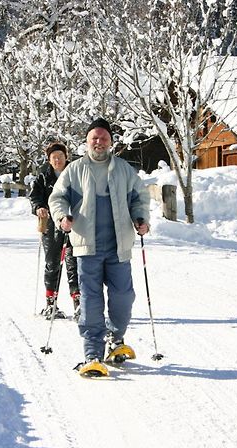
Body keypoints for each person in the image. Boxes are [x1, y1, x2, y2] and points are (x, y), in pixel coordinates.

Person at [48, 118, 150, 371]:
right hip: (87, 245)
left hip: (119, 245)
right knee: (91, 300)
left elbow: (140, 198)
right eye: (94, 137)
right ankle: (92, 352)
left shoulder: (125, 169)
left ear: (111, 142)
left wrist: (141, 219)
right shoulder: (74, 169)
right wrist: (62, 217)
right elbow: (57, 197)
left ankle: (116, 340)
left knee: (123, 297)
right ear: (86, 141)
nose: (99, 142)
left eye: (104, 138)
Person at [29, 142, 81, 320]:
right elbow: (35, 196)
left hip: (74, 223)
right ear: (49, 160)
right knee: (52, 263)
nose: (57, 160)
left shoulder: (75, 174)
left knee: (74, 263)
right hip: (51, 225)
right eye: (54, 157)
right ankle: (51, 304)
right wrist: (39, 208)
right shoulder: (43, 176)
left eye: (60, 156)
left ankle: (78, 304)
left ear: (66, 157)